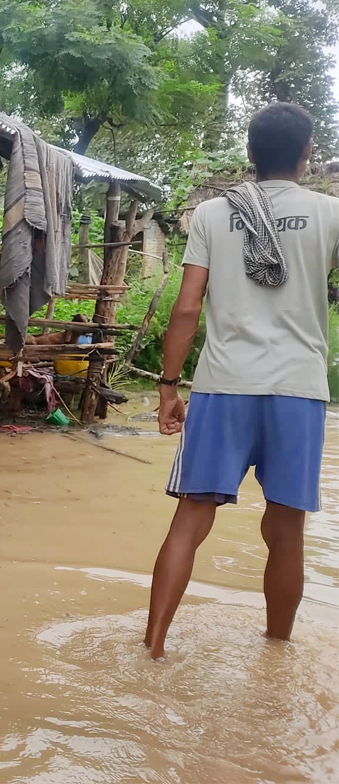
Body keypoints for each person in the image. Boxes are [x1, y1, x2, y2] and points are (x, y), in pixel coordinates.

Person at [146, 102, 337, 660]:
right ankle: (277, 655)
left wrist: (167, 385)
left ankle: (152, 649)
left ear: (250, 154)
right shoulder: (330, 213)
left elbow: (186, 310)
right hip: (298, 392)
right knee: (287, 530)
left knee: (190, 518)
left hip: (223, 386)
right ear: (307, 154)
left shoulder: (210, 215)